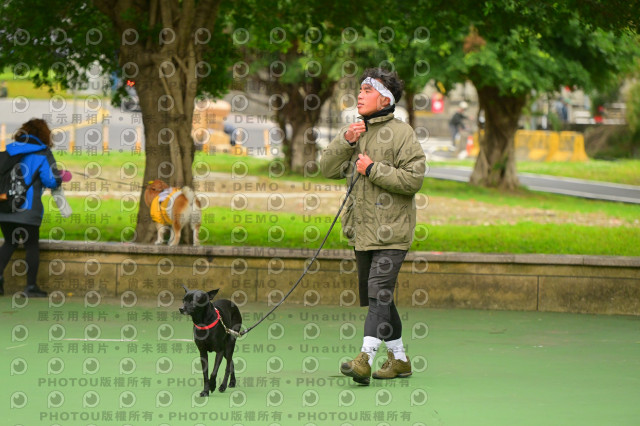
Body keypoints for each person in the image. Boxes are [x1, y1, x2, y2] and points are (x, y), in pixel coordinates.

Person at [319, 68, 426, 385]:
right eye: (360, 89)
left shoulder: (403, 134)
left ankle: (364, 359)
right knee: (381, 299)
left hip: (393, 233)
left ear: (385, 99)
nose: (360, 94)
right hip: (362, 232)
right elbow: (326, 169)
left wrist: (373, 169)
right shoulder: (354, 131)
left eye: (367, 90)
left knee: (379, 292)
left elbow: (413, 179)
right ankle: (400, 360)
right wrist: (345, 141)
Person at [0, 118, 69, 297]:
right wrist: (59, 177)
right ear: (44, 134)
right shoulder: (43, 153)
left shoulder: (9, 150)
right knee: (31, 245)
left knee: (9, 242)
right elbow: (51, 181)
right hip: (28, 209)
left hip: (5, 206)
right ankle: (31, 287)